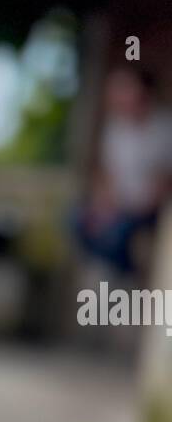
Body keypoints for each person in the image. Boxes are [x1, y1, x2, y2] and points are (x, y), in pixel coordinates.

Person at [74, 67, 172, 275]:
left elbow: (162, 186)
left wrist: (122, 211)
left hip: (146, 210)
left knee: (118, 233)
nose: (115, 95)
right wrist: (102, 207)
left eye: (123, 88)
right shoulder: (116, 128)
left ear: (143, 91)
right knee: (76, 220)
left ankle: (126, 277)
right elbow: (109, 175)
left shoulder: (165, 128)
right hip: (119, 206)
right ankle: (119, 271)